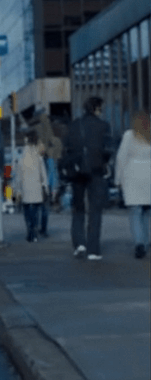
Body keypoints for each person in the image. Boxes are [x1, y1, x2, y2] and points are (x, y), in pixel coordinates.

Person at [61, 96, 115, 260]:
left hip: (77, 171)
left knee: (78, 208)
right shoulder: (103, 126)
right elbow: (108, 149)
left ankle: (79, 244)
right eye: (101, 107)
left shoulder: (74, 125)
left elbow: (67, 147)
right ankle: (93, 249)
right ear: (97, 108)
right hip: (96, 171)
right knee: (95, 210)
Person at [114, 110, 151, 259]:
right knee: (147, 212)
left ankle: (139, 243)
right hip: (149, 176)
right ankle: (146, 240)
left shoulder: (129, 135)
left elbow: (121, 158)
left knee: (135, 212)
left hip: (132, 176)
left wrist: (118, 180)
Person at [15, 130, 49, 242]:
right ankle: (33, 232)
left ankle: (30, 231)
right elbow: (43, 174)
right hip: (36, 189)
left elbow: (18, 177)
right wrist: (45, 187)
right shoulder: (38, 158)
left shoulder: (21, 159)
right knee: (35, 212)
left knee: (27, 212)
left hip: (25, 189)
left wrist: (17, 191)